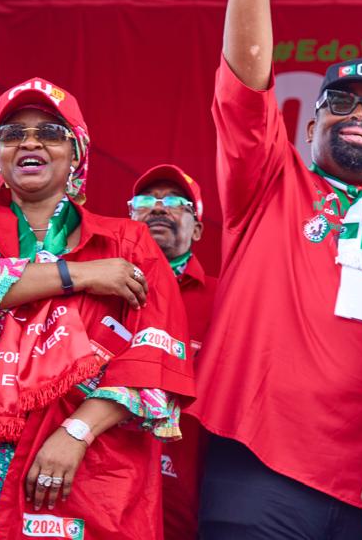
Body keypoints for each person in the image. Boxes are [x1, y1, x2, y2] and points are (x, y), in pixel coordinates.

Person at [188, 0, 362, 539]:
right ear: (310, 123)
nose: (359, 116)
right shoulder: (269, 181)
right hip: (260, 465)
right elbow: (243, 79)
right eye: (340, 104)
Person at [0, 77, 194, 538]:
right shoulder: (104, 261)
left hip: (96, 471)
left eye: (50, 132)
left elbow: (156, 356)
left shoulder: (129, 241)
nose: (31, 142)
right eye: (12, 133)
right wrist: (78, 275)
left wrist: (77, 432)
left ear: (77, 153)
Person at [129, 164, 217, 540]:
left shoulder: (225, 299)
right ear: (129, 218)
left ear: (197, 229)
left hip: (184, 493)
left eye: (176, 203)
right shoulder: (98, 282)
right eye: (146, 202)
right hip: (98, 476)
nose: (159, 208)